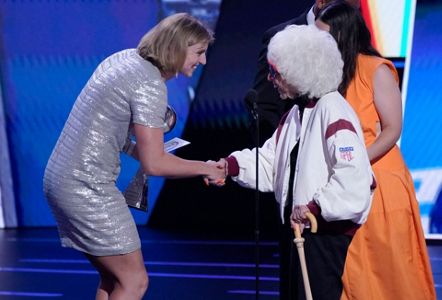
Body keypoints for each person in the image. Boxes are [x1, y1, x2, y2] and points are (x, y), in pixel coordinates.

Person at [43, 13, 224, 300]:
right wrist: (206, 168)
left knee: (113, 277)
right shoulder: (149, 84)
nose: (202, 61)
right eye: (199, 53)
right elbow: (155, 164)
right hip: (86, 188)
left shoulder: (125, 59)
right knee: (134, 281)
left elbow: (112, 135)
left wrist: (153, 149)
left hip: (62, 180)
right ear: (177, 47)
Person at [211, 25, 375, 300]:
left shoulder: (333, 111)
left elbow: (355, 178)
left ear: (299, 71)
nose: (271, 79)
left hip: (321, 235)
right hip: (297, 230)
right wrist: (231, 166)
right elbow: (272, 162)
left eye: (276, 73)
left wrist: (314, 207)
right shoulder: (296, 114)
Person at [315, 2, 436, 299]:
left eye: (325, 37)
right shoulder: (331, 76)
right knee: (354, 270)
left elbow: (392, 130)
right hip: (346, 181)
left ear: (343, 34)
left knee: (389, 266)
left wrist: (354, 163)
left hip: (379, 180)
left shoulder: (376, 69)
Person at [249, 0, 360, 145]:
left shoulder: (355, 43)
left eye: (354, 11)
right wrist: (279, 156)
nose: (349, 17)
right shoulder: (278, 37)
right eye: (341, 9)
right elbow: (265, 108)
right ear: (321, 2)